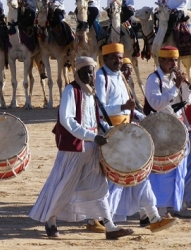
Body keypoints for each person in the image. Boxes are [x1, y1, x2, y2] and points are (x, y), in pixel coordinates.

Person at [29, 56, 135, 240]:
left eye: (91, 71)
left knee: (99, 187)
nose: (89, 74)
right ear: (77, 72)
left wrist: (109, 132)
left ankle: (109, 226)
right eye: (85, 71)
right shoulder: (71, 90)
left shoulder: (90, 92)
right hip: (75, 148)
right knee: (64, 185)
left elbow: (96, 119)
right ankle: (51, 220)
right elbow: (66, 120)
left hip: (93, 146)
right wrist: (91, 136)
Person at [95, 43, 178, 232]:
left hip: (128, 133)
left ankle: (153, 217)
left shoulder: (121, 77)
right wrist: (121, 109)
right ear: (105, 59)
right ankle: (102, 220)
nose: (118, 60)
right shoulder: (102, 77)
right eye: (114, 57)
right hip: (112, 135)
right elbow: (99, 109)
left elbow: (131, 110)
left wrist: (147, 119)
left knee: (139, 176)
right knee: (116, 181)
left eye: (120, 56)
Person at [144, 45, 191, 217]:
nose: (174, 63)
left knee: (180, 169)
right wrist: (175, 87)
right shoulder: (153, 79)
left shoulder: (175, 78)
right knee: (163, 170)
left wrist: (185, 86)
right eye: (170, 60)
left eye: (175, 60)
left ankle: (178, 204)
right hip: (161, 130)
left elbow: (184, 102)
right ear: (161, 60)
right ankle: (161, 208)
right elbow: (157, 104)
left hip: (179, 127)